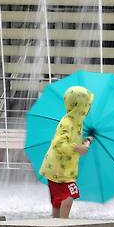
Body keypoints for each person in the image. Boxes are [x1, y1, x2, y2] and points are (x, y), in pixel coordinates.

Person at [40, 86, 94, 218]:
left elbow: (70, 143)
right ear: (78, 106)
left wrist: (85, 142)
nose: (88, 108)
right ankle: (63, 225)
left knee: (57, 202)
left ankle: (55, 225)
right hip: (58, 170)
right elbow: (59, 144)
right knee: (70, 195)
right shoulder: (67, 123)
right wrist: (77, 148)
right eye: (86, 105)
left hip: (60, 170)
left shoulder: (77, 123)